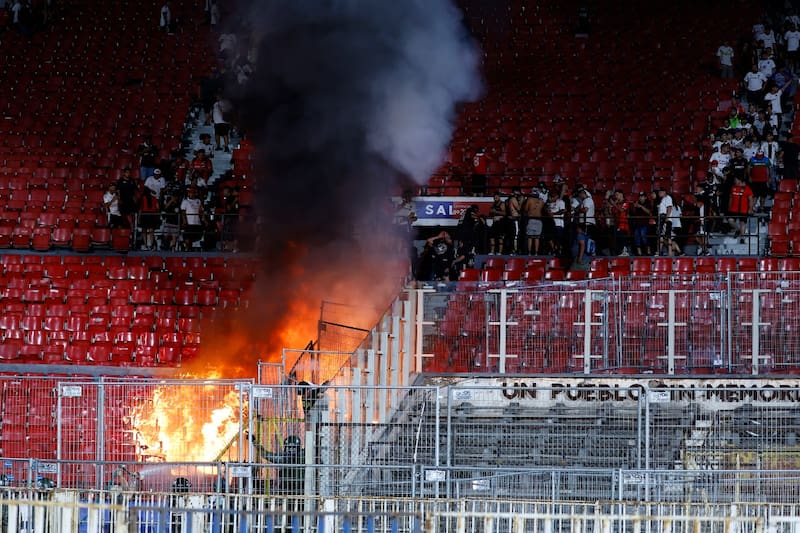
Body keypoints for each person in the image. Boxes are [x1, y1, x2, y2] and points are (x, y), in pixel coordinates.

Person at [522, 189, 544, 255]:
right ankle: (536, 252)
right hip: (539, 220)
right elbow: (542, 210)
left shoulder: (529, 199)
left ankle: (529, 252)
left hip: (531, 219)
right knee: (537, 237)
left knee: (530, 237)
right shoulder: (541, 201)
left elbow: (526, 209)